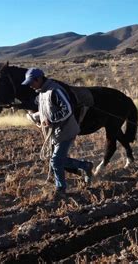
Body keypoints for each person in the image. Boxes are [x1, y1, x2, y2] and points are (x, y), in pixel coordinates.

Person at [22, 68, 93, 197]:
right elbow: (47, 111)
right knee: (57, 160)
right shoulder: (41, 92)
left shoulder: (55, 90)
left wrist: (51, 120)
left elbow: (67, 109)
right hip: (56, 132)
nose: (30, 86)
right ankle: (85, 166)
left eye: (31, 83)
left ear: (38, 79)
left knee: (55, 161)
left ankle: (61, 189)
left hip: (66, 130)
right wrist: (35, 116)